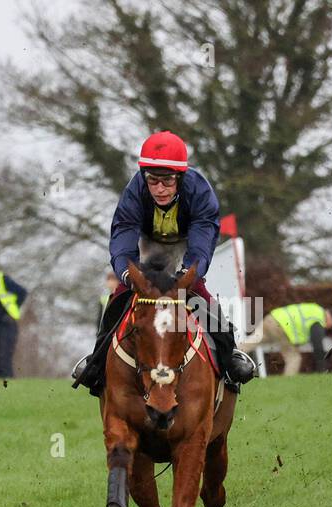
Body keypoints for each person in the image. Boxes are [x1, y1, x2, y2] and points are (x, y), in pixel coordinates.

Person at [71, 130, 256, 395]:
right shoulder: (135, 189)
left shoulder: (199, 190)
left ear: (180, 177)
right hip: (148, 247)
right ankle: (96, 363)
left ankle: (230, 359)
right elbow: (123, 232)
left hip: (186, 246)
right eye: (153, 181)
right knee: (120, 297)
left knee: (199, 296)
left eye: (167, 181)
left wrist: (189, 273)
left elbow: (203, 238)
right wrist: (126, 273)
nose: (159, 188)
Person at [243, 302, 332, 376]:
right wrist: (322, 367)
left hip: (272, 318)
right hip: (281, 327)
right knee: (293, 357)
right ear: (330, 317)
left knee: (250, 342)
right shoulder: (318, 318)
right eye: (331, 325)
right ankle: (288, 382)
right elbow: (317, 345)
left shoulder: (314, 309)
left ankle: (233, 352)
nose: (328, 327)